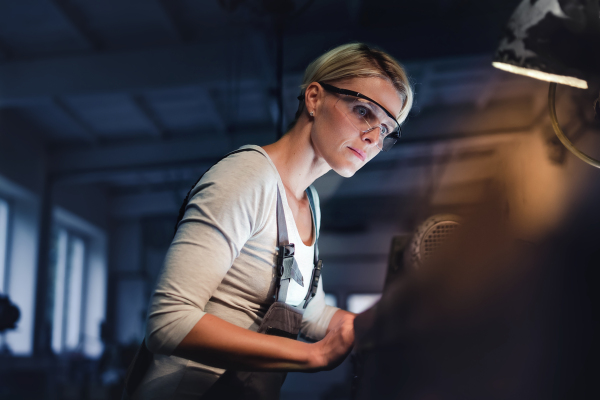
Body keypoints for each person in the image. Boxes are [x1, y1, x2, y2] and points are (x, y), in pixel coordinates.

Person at [131, 42, 413, 400]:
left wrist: (374, 322)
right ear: (314, 98)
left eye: (387, 130)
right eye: (363, 112)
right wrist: (315, 355)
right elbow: (168, 322)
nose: (373, 137)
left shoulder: (309, 204)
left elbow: (309, 314)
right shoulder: (247, 178)